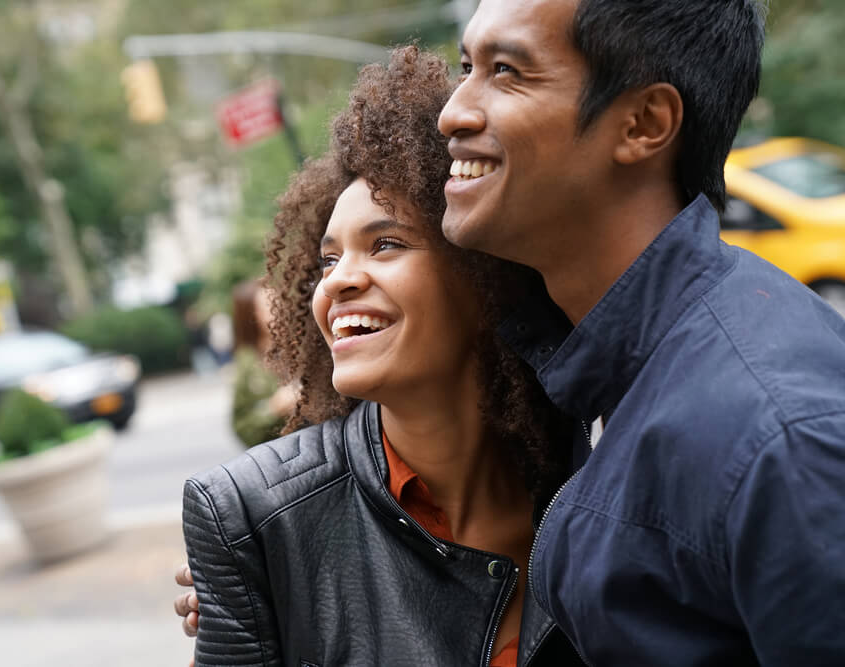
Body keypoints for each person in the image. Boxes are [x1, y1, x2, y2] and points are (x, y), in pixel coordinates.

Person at [436, 0, 845, 664]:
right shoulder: (581, 368)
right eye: (465, 67)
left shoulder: (784, 436)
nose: (452, 111)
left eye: (506, 71)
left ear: (644, 124)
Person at [180, 46, 579, 666]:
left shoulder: (597, 469)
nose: (337, 282)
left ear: (485, 274)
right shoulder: (255, 519)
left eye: (386, 243)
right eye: (329, 259)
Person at [229, 279, 292, 447]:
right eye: (269, 306)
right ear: (252, 315)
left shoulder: (305, 347)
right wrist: (274, 408)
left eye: (280, 302)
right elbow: (242, 428)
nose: (279, 311)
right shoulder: (247, 364)